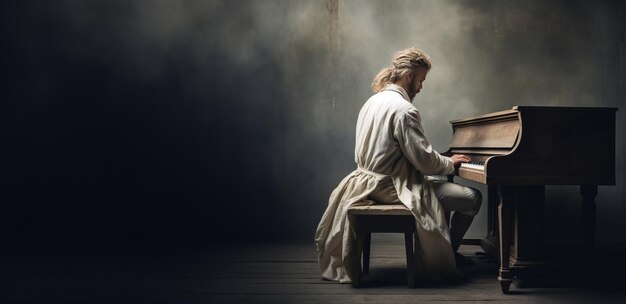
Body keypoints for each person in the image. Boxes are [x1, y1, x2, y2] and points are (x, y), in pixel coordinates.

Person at [314, 47, 482, 283]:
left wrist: (439, 164)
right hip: (389, 187)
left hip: (365, 182)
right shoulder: (404, 110)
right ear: (410, 75)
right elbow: (425, 161)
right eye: (421, 80)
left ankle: (441, 249)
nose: (421, 87)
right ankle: (448, 254)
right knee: (472, 197)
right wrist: (450, 163)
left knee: (437, 189)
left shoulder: (372, 101)